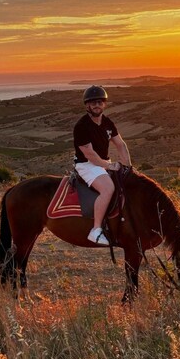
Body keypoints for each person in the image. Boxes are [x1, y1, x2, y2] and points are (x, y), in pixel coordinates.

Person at [73, 86, 131, 246]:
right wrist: (110, 165)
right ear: (87, 106)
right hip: (87, 164)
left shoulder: (107, 122)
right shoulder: (81, 126)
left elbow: (120, 144)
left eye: (100, 102)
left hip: (102, 163)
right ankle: (96, 230)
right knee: (108, 188)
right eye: (92, 102)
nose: (96, 105)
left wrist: (128, 166)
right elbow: (89, 154)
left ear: (104, 104)